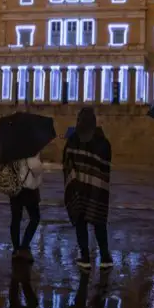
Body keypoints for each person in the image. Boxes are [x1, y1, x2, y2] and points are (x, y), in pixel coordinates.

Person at [63, 107, 113, 270]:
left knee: (80, 221)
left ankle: (85, 256)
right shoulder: (103, 142)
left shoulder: (72, 140)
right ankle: (105, 256)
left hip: (78, 188)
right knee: (99, 222)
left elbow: (66, 163)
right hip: (97, 189)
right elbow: (105, 166)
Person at [9, 152, 43, 263]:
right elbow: (35, 167)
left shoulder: (12, 146)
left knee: (16, 218)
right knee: (35, 217)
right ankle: (24, 246)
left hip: (14, 186)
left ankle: (16, 249)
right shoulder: (30, 147)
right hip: (28, 188)